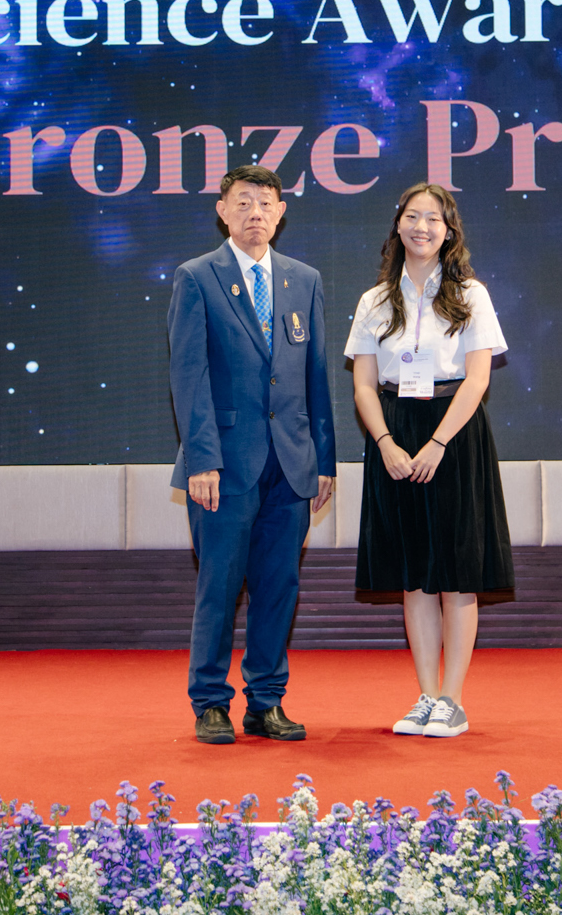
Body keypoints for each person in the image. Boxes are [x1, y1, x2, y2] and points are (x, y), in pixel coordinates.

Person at [168, 165, 337, 745]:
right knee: (219, 587)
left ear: (281, 213)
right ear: (222, 211)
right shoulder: (197, 277)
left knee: (278, 587)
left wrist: (324, 461)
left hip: (291, 464)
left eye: (265, 203)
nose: (255, 214)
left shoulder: (304, 279)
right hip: (223, 465)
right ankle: (210, 702)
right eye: (242, 203)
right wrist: (201, 460)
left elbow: (316, 376)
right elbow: (188, 377)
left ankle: (267, 702)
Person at [344, 182, 511, 738]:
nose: (422, 227)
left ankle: (453, 700)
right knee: (414, 576)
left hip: (454, 432)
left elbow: (478, 378)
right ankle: (425, 696)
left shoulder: (471, 294)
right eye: (412, 216)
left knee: (457, 574)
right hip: (394, 432)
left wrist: (438, 443)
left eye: (433, 218)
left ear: (448, 230)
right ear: (398, 225)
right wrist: (386, 443)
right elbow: (363, 384)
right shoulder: (374, 300)